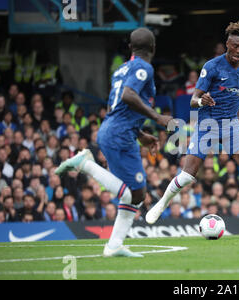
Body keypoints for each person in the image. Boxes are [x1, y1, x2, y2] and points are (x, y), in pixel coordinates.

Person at [145, 22, 239, 239]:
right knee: (187, 176)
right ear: (227, 45)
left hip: (231, 125)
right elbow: (193, 101)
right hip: (207, 124)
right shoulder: (211, 67)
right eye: (235, 46)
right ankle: (161, 204)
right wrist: (202, 100)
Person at [55, 27, 172, 257]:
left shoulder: (121, 69)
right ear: (153, 47)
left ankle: (114, 246)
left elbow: (115, 108)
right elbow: (128, 96)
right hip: (118, 135)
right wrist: (158, 118)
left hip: (117, 131)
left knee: (136, 194)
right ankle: (85, 163)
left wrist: (141, 135)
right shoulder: (143, 67)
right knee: (135, 193)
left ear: (130, 47)